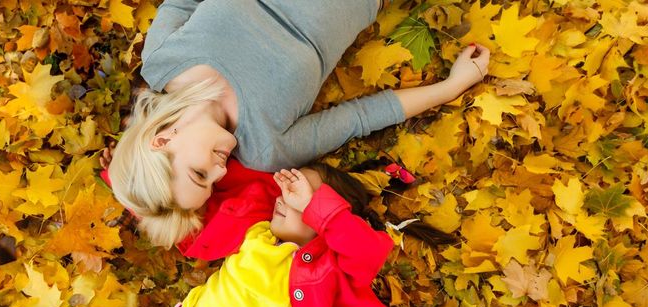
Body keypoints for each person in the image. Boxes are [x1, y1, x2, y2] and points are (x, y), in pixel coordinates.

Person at [106, 0, 491, 245]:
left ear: (161, 141)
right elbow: (360, 117)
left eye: (199, 174)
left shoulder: (161, 60)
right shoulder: (265, 148)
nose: (220, 172)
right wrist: (453, 86)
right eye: (213, 184)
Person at [113, 163, 436, 307]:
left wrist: (315, 206)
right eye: (288, 192)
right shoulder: (258, 232)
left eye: (302, 199)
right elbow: (199, 210)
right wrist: (126, 175)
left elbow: (366, 249)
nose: (285, 200)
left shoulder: (330, 266)